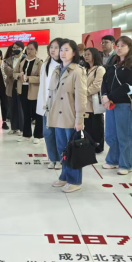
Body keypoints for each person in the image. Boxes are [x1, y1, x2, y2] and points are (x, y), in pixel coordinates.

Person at [47, 40, 87, 193]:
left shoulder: (77, 71)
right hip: (57, 116)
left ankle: (74, 180)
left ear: (74, 52)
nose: (62, 53)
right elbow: (52, 94)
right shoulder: (57, 69)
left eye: (66, 50)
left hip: (70, 116)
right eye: (61, 50)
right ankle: (64, 176)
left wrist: (79, 119)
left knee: (72, 150)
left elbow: (81, 97)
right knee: (62, 149)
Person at [101, 36, 132, 176]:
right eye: (117, 45)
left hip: (123, 103)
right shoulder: (113, 62)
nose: (119, 48)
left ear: (129, 47)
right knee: (111, 134)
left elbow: (127, 85)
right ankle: (113, 160)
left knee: (124, 135)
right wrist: (104, 95)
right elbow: (105, 80)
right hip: (110, 103)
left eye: (122, 46)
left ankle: (125, 164)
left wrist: (110, 97)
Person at [37, 38, 64, 169]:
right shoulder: (45, 65)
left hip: (61, 106)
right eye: (51, 47)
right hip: (46, 104)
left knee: (60, 134)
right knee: (48, 133)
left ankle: (61, 159)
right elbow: (43, 86)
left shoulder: (66, 65)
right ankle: (52, 158)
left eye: (56, 47)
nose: (53, 50)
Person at [14, 41, 44, 143]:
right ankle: (26, 134)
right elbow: (14, 73)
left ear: (36, 50)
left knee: (37, 113)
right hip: (23, 89)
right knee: (25, 112)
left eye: (32, 49)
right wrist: (19, 75)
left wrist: (29, 78)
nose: (29, 51)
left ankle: (38, 135)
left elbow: (41, 78)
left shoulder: (39, 62)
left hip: (34, 90)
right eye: (28, 49)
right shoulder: (22, 60)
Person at [84, 47, 106, 153]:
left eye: (88, 54)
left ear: (94, 55)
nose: (86, 56)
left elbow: (97, 85)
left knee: (97, 126)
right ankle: (89, 146)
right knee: (87, 126)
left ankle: (98, 147)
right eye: (85, 54)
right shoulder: (84, 69)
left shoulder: (100, 69)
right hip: (85, 102)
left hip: (95, 101)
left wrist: (84, 93)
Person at [4, 41, 26, 136]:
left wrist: (15, 73)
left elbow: (24, 71)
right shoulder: (9, 60)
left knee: (21, 108)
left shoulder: (25, 59)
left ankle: (22, 128)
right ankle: (14, 127)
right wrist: (17, 73)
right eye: (14, 47)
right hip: (11, 85)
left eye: (17, 47)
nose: (15, 49)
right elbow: (6, 70)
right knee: (12, 107)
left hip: (22, 85)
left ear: (22, 48)